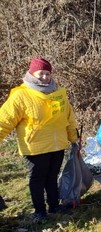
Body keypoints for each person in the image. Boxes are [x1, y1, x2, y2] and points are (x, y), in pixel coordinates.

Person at [0, 57, 78, 223]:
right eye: (41, 73)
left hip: (57, 145)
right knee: (37, 179)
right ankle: (39, 211)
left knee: (52, 176)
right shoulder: (21, 95)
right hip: (34, 146)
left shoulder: (58, 93)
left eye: (47, 73)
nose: (44, 77)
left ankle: (54, 206)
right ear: (32, 73)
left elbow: (69, 118)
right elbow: (4, 120)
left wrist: (74, 138)